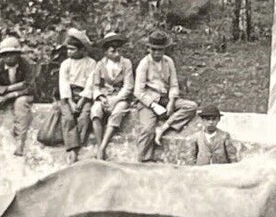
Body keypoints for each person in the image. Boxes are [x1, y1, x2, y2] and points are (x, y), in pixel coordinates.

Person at [133, 30, 197, 161]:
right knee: (147, 129)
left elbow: (173, 84)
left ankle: (164, 128)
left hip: (164, 98)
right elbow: (138, 92)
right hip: (148, 101)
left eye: (160, 50)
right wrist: (153, 106)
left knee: (191, 106)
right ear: (149, 48)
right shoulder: (144, 64)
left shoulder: (168, 62)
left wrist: (171, 101)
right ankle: (143, 160)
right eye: (154, 50)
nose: (157, 53)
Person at [89, 29, 134, 158]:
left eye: (119, 50)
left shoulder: (126, 63)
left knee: (117, 113)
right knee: (95, 111)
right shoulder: (100, 65)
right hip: (105, 96)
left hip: (120, 97)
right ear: (106, 52)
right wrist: (101, 97)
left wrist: (115, 100)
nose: (117, 54)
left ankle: (103, 146)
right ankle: (99, 145)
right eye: (113, 51)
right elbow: (96, 85)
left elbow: (128, 86)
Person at [56, 28, 97, 161]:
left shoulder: (91, 63)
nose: (69, 52)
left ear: (81, 50)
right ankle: (71, 149)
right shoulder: (65, 64)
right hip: (69, 96)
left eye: (73, 49)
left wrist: (81, 101)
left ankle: (78, 145)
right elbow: (64, 84)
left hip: (84, 95)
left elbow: (91, 83)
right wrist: (71, 102)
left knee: (84, 116)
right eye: (68, 49)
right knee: (68, 117)